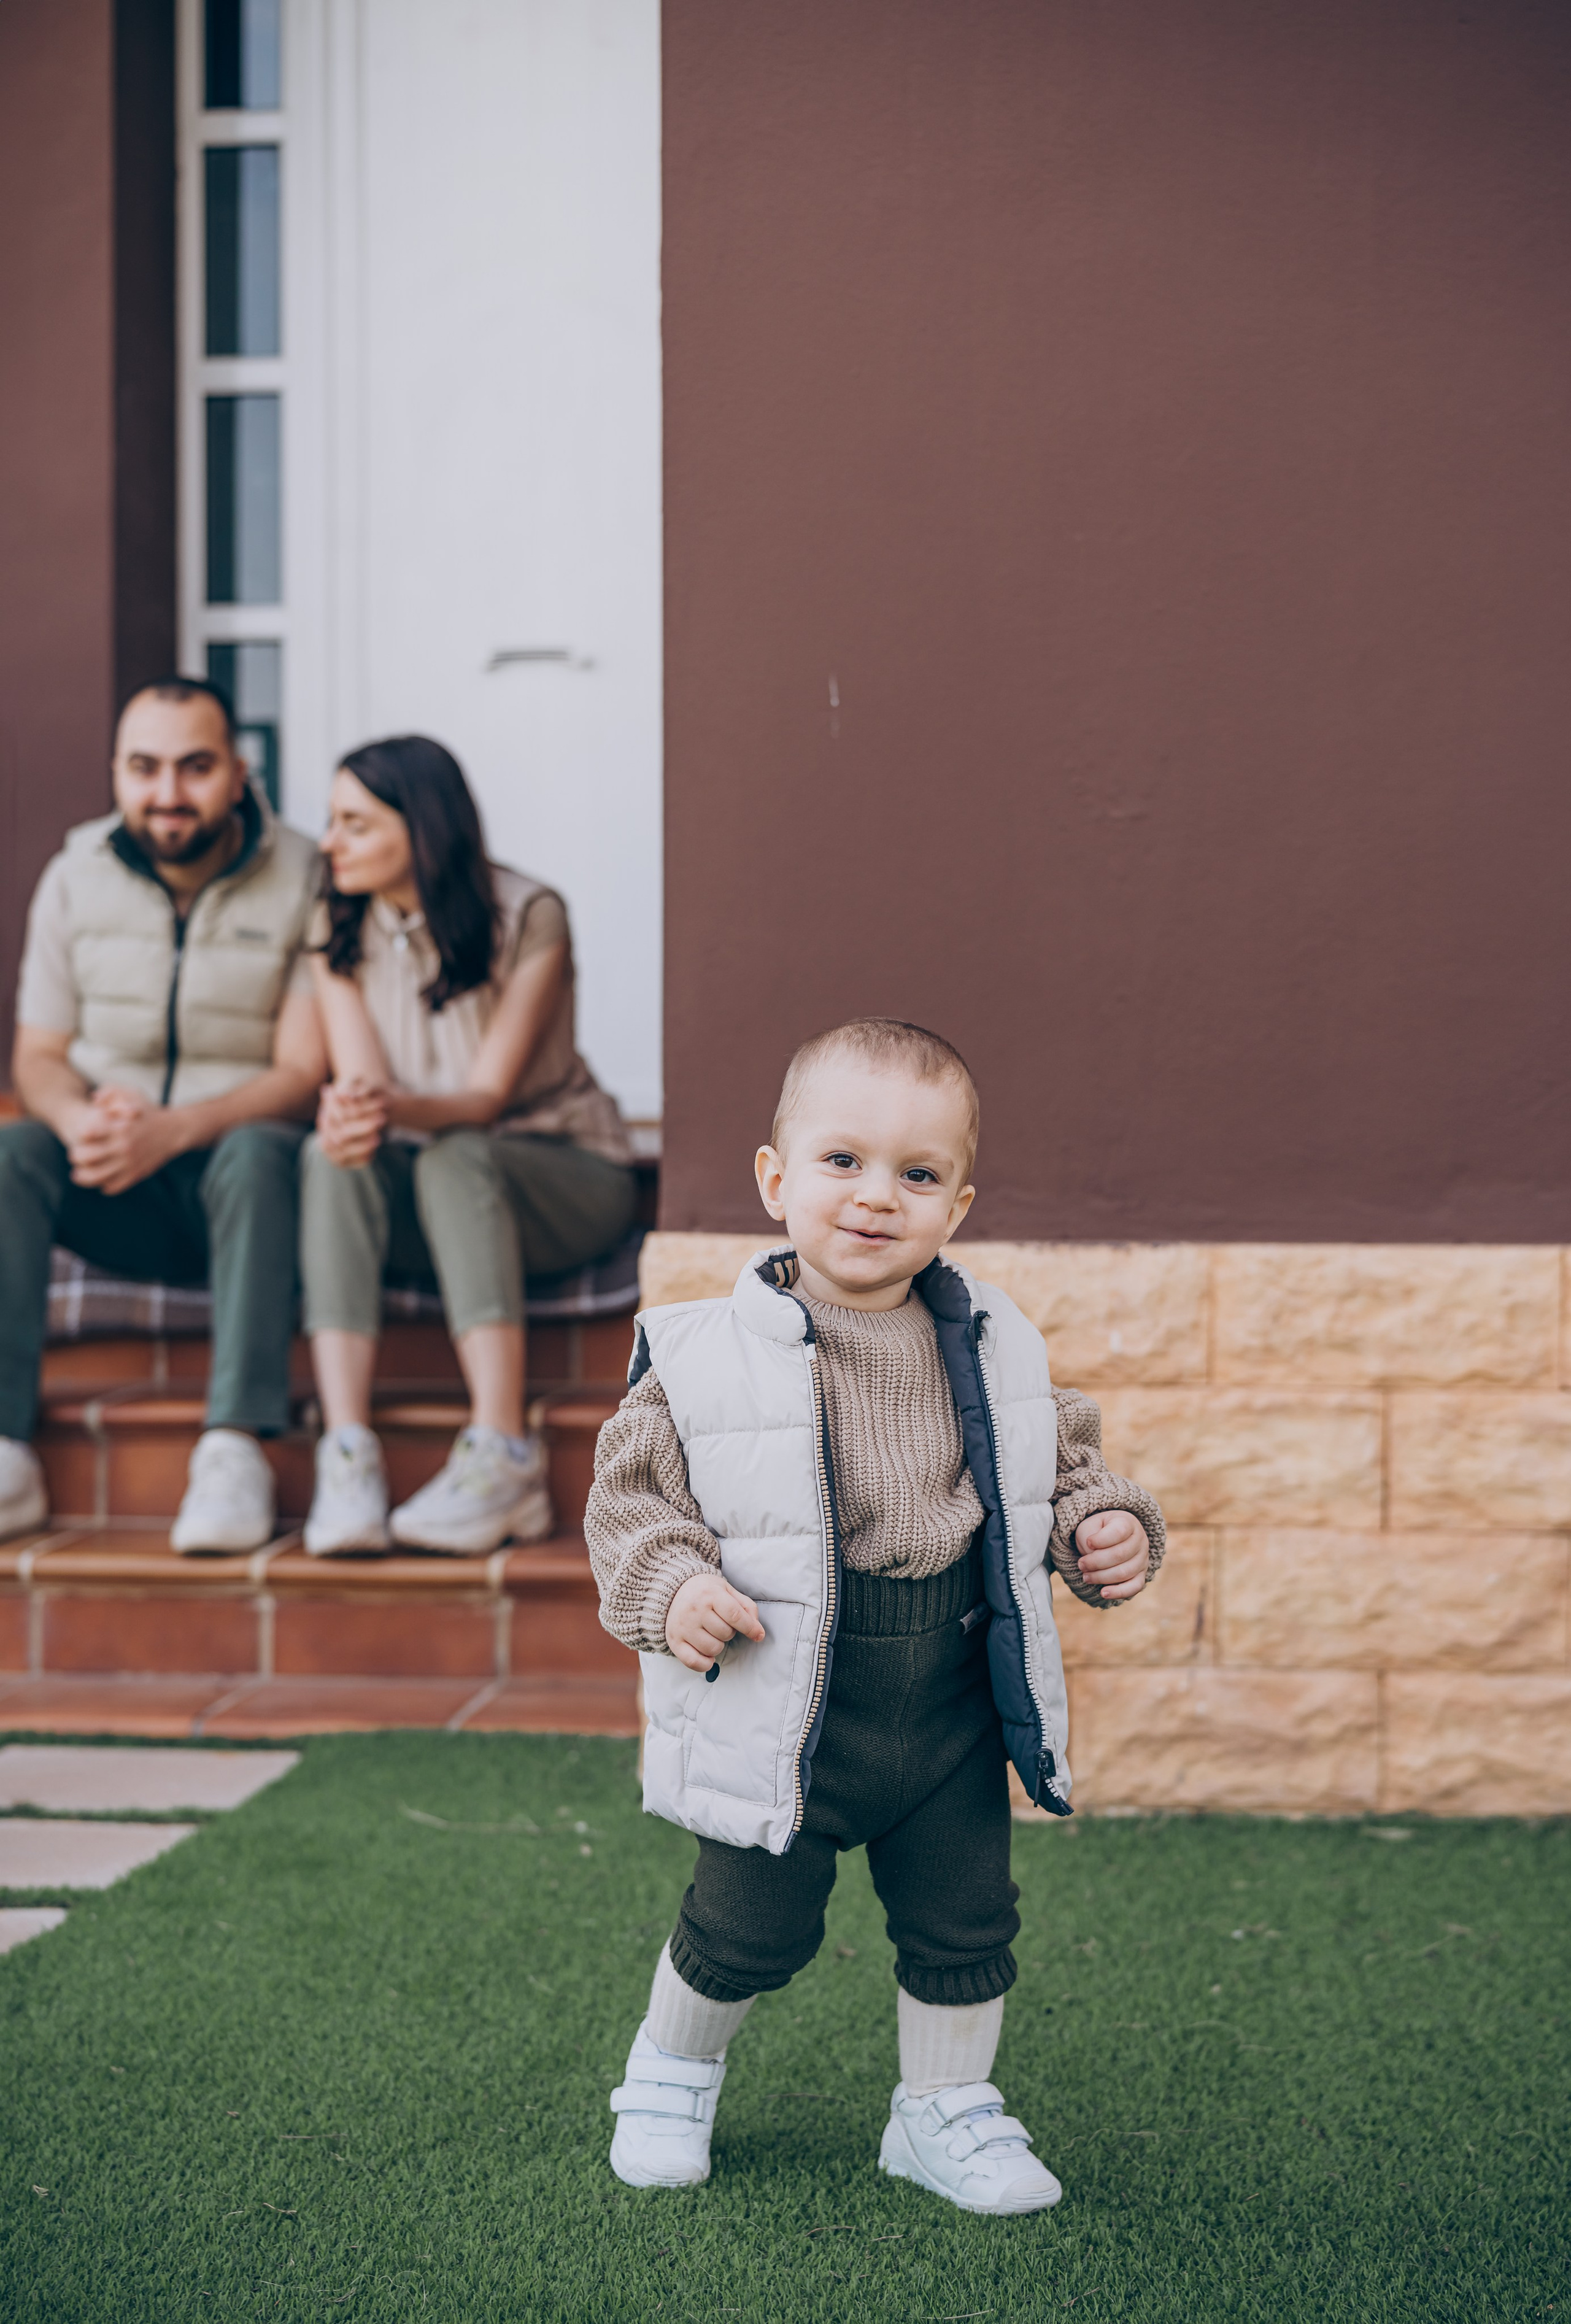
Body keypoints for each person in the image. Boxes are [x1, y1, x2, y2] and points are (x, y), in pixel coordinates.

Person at [585, 1018, 1165, 2212]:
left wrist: (1100, 1525)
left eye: (915, 1173)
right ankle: (671, 2070)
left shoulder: (993, 1344)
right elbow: (633, 1505)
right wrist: (676, 1584)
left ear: (955, 1204)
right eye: (839, 1160)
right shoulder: (703, 1358)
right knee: (747, 1923)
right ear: (774, 1178)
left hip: (947, 1697)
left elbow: (1054, 1468)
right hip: (788, 1697)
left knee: (964, 1919)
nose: (872, 1197)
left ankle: (940, 2111)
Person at [0, 679, 323, 1550]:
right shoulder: (74, 874)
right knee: (13, 1150)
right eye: (144, 768)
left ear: (238, 771)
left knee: (261, 1148)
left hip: (242, 1191)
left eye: (195, 767)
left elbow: (304, 1071)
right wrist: (80, 1125)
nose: (168, 793)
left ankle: (235, 1448)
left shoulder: (303, 874)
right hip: (113, 1185)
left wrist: (173, 1131)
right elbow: (36, 1053)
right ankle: (7, 1454)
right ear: (116, 772)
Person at [299, 735, 636, 1556]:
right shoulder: (333, 920)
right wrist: (348, 1116)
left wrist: (380, 1107)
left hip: (567, 1173)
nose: (329, 843)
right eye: (331, 821)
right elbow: (363, 1082)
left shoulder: (529, 915)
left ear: (420, 831)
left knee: (454, 1151)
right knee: (328, 1157)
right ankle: (347, 1449)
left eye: (355, 824)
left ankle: (503, 1447)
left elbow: (483, 1099)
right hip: (434, 1186)